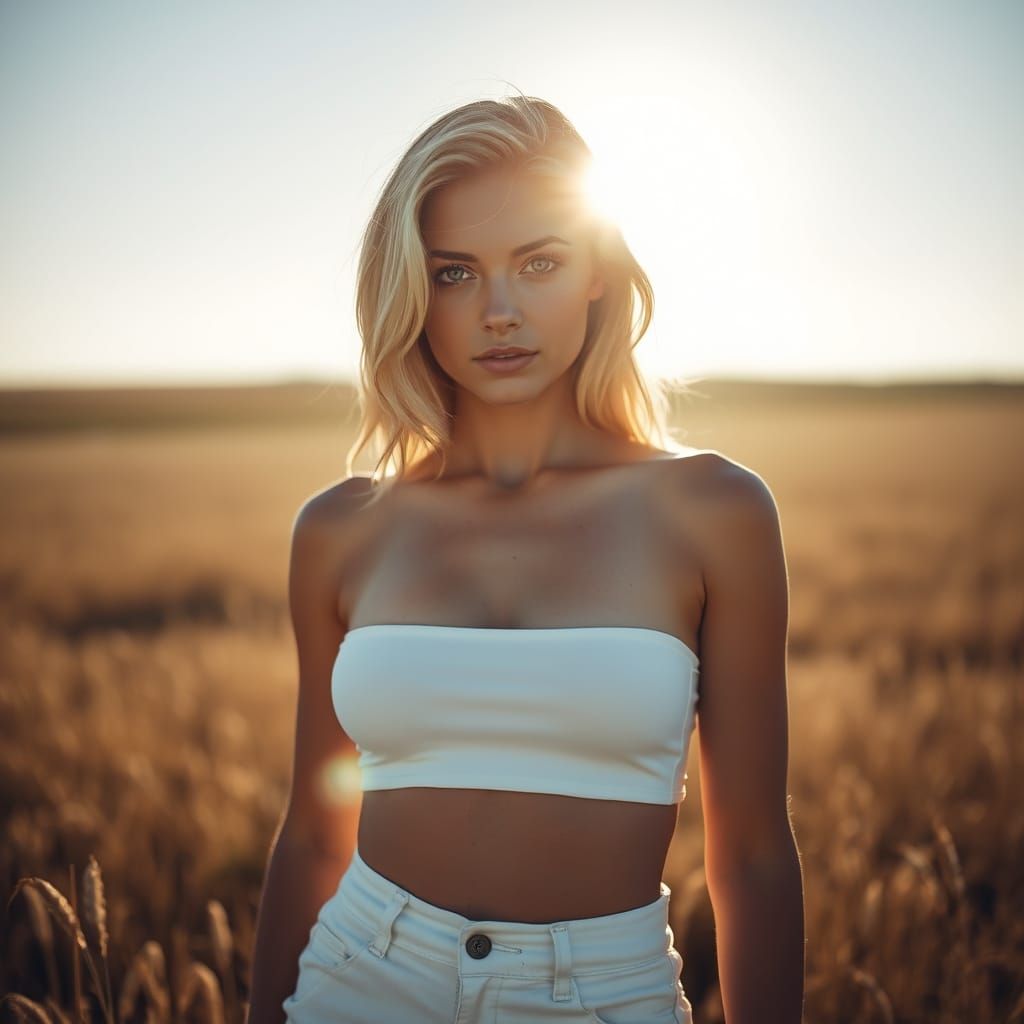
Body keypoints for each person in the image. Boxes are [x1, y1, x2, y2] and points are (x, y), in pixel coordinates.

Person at [246, 91, 804, 1024]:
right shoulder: (341, 530)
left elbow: (750, 854)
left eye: (538, 263)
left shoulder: (715, 512)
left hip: (599, 995)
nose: (498, 311)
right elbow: (311, 832)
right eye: (456, 273)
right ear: (412, 292)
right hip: (359, 977)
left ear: (596, 269)